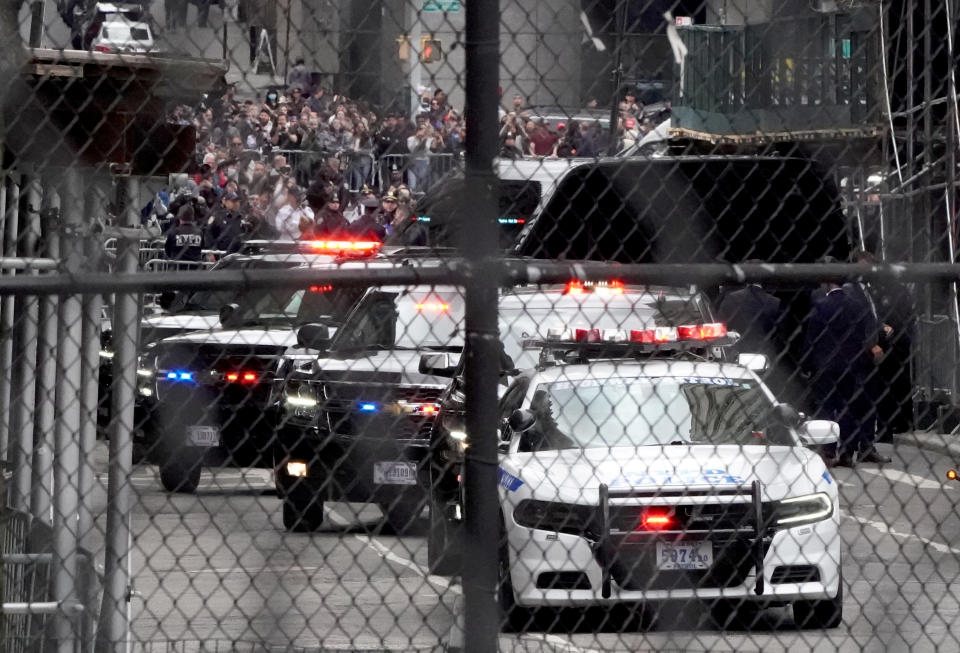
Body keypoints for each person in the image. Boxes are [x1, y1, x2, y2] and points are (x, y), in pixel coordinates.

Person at [802, 280, 878, 468]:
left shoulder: (821, 306)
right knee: (848, 408)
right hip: (851, 364)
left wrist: (806, 364)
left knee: (827, 408)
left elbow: (812, 338)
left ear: (827, 285)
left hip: (825, 365)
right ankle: (847, 451)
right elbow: (865, 335)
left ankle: (829, 450)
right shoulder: (858, 306)